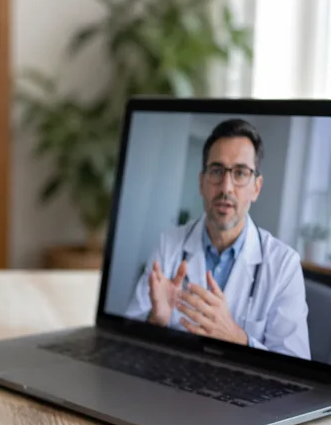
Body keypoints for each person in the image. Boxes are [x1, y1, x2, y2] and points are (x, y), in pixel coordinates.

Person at [124, 118, 310, 359]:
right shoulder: (169, 245)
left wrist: (237, 338)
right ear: (202, 182)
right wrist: (156, 321)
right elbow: (125, 343)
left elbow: (296, 367)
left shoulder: (284, 265)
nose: (226, 187)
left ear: (256, 187)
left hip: (243, 390)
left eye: (240, 173)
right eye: (217, 171)